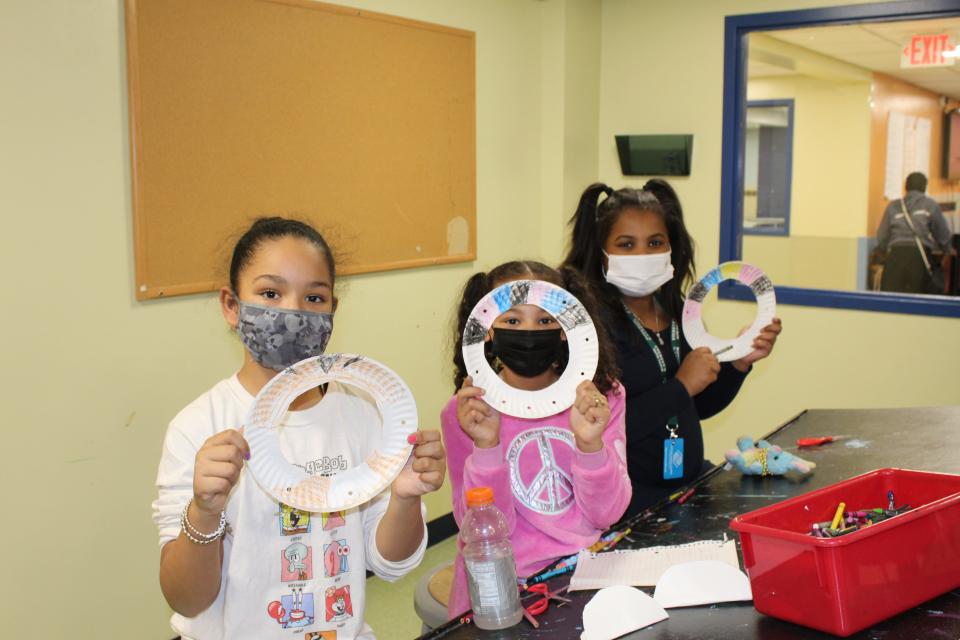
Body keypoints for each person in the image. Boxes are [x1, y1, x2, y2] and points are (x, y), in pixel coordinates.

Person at [153, 217, 446, 639]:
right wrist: (204, 510)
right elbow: (187, 599)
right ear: (231, 306)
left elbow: (391, 563)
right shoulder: (198, 427)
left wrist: (403, 498)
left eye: (313, 296)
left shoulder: (362, 413)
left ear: (332, 310)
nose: (292, 311)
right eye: (270, 293)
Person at [562, 181, 781, 518]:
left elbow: (697, 406)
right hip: (629, 503)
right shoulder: (589, 327)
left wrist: (738, 364)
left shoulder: (679, 311)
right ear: (601, 252)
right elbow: (602, 425)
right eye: (626, 244)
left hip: (688, 487)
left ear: (671, 247)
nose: (643, 256)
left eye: (654, 243)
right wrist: (681, 385)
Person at [442, 261, 631, 619]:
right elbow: (482, 530)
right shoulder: (466, 414)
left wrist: (591, 445)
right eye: (513, 321)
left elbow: (608, 514)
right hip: (502, 589)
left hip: (585, 578)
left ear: (566, 329)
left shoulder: (600, 399)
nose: (529, 332)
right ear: (485, 330)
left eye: (545, 320)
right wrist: (487, 446)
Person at [876, 172, 951, 294]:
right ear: (924, 187)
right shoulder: (930, 205)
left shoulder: (893, 206)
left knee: (891, 299)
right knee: (918, 298)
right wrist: (946, 250)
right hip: (919, 257)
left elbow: (882, 237)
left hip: (895, 256)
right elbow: (943, 235)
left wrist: (884, 251)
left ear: (905, 187)